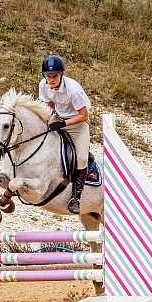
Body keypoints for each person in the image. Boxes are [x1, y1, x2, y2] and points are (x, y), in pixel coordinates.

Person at [38, 55, 91, 215]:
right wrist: (46, 120)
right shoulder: (44, 85)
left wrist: (63, 125)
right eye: (48, 76)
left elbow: (84, 115)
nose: (51, 79)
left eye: (54, 76)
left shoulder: (73, 90)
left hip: (78, 123)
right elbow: (48, 105)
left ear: (61, 74)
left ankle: (75, 198)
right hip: (59, 117)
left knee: (81, 158)